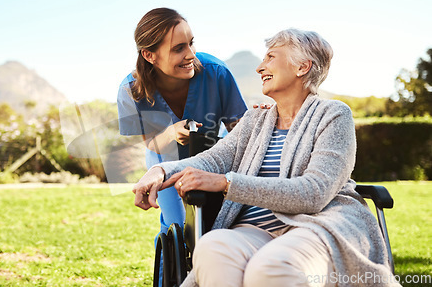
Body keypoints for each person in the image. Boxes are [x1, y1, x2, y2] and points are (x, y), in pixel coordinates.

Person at [132, 28, 400, 287]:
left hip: (315, 225)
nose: (260, 67)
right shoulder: (256, 119)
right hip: (253, 229)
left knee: (271, 268)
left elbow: (314, 193)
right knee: (212, 250)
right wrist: (162, 171)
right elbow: (212, 160)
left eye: (271, 57)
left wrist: (226, 184)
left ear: (302, 67)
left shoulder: (333, 115)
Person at [117, 8, 247, 249]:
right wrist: (170, 133)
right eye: (178, 48)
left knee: (218, 224)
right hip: (162, 159)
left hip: (213, 157)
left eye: (191, 43)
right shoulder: (130, 90)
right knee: (176, 229)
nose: (191, 55)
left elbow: (240, 132)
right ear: (149, 55)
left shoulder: (216, 73)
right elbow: (150, 143)